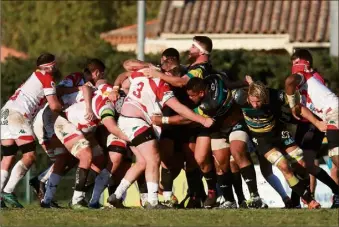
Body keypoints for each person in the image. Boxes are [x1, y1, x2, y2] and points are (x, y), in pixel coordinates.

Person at [107, 60, 214, 209]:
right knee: (154, 158)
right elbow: (179, 108)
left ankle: (116, 196)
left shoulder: (141, 74)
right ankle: (152, 202)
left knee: (142, 162)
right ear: (168, 75)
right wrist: (202, 120)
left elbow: (126, 66)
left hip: (125, 120)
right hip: (136, 122)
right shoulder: (161, 84)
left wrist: (118, 86)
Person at [236, 81, 323, 209]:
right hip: (262, 139)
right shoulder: (239, 97)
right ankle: (309, 200)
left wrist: (316, 121)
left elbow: (297, 104)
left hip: (279, 132)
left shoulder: (276, 96)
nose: (255, 105)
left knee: (302, 164)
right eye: (252, 101)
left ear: (265, 97)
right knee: (284, 166)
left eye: (258, 101)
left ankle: (297, 201)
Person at [0, 53, 63, 208]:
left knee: (8, 157)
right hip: (18, 115)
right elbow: (54, 106)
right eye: (54, 65)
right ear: (50, 66)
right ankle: (7, 191)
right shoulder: (47, 77)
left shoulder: (34, 75)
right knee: (30, 155)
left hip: (5, 112)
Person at [285, 48, 339, 208]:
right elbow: (302, 107)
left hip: (321, 119)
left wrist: (292, 103)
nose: (294, 67)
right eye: (292, 64)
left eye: (296, 63)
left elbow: (290, 83)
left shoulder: (308, 77)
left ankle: (336, 192)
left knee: (332, 158)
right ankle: (297, 201)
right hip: (315, 120)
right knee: (303, 163)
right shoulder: (307, 80)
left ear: (305, 64)